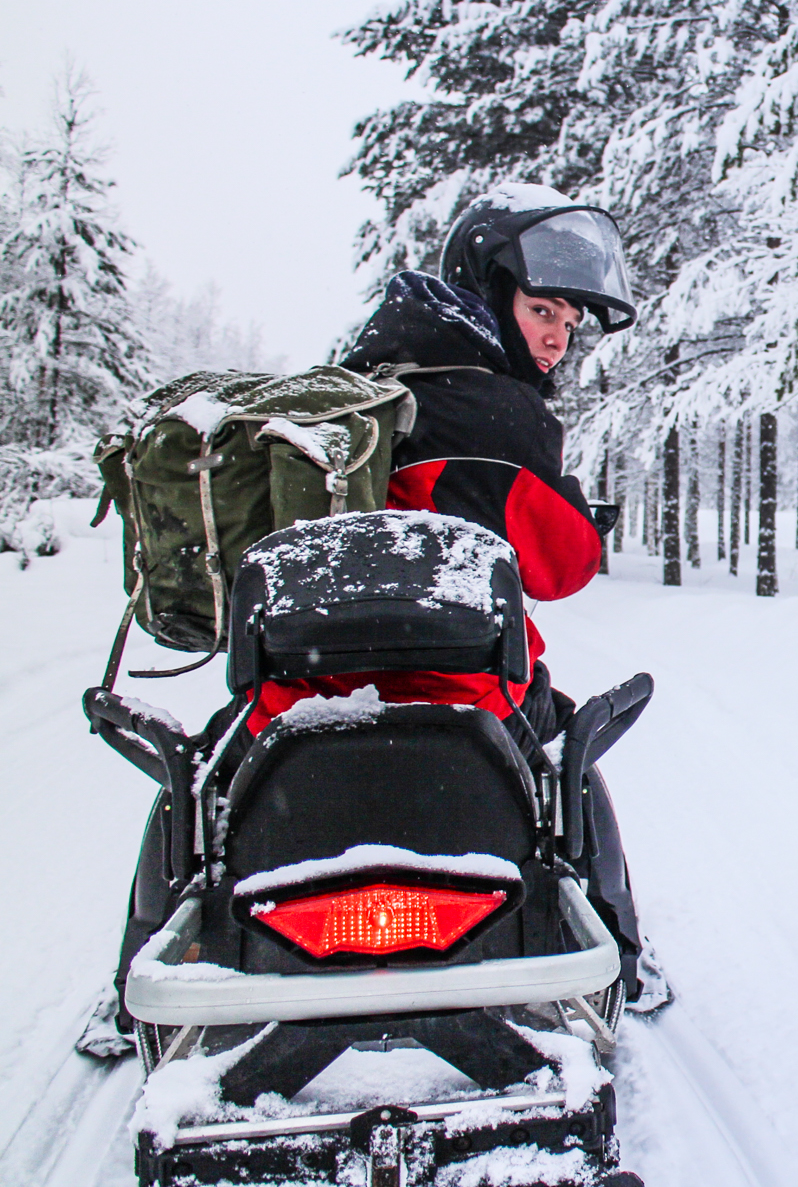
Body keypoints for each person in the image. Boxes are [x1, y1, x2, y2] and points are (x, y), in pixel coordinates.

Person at [84, 187, 664, 1057]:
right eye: (543, 309)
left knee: (199, 779)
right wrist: (579, 514)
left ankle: (131, 984)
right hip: (473, 694)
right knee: (573, 759)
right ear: (487, 291)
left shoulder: (351, 391)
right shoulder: (503, 412)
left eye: (570, 321)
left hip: (310, 690)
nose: (557, 335)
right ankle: (624, 952)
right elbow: (561, 563)